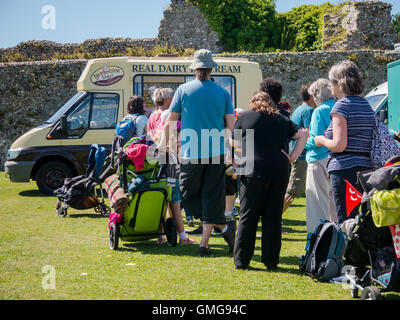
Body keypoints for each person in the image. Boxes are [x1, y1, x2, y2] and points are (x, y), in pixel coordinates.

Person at [161, 49, 237, 257]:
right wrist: (233, 152)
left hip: (190, 152)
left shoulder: (183, 90)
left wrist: (169, 145)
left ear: (194, 68)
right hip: (217, 153)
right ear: (211, 68)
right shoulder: (222, 93)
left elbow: (171, 121)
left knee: (186, 195)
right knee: (211, 197)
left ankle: (204, 244)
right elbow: (231, 125)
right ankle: (223, 227)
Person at [233, 91, 307, 270]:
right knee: (272, 218)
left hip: (251, 170)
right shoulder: (282, 120)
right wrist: (291, 157)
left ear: (252, 102)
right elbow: (303, 134)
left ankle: (242, 261)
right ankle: (271, 261)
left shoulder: (244, 117)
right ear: (271, 104)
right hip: (278, 170)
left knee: (247, 217)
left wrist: (236, 165)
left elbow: (234, 144)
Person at [315, 60, 375, 224]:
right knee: (363, 222)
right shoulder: (366, 104)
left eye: (331, 81)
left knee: (346, 222)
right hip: (366, 170)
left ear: (339, 83)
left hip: (344, 170)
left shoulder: (341, 106)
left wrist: (321, 140)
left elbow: (339, 145)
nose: (329, 86)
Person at [304, 79, 337, 233]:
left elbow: (317, 139)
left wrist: (301, 140)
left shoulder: (319, 111)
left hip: (318, 159)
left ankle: (317, 242)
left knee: (317, 206)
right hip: (336, 159)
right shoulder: (338, 107)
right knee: (334, 207)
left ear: (317, 95)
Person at [282, 84, 316, 214]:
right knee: (292, 192)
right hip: (302, 157)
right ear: (311, 96)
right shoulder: (309, 111)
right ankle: (273, 220)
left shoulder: (298, 110)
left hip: (297, 154)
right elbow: (309, 134)